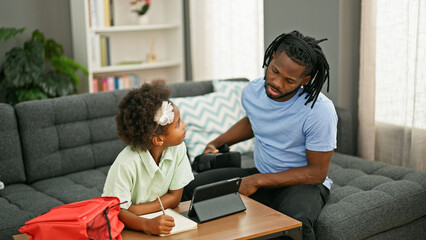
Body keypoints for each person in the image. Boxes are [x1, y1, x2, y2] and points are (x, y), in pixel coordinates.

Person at [183, 30, 337, 240]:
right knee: (193, 189)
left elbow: (317, 173)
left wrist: (257, 181)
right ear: (271, 57)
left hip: (302, 184)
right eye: (274, 71)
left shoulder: (319, 111)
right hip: (262, 173)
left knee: (295, 224)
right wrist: (216, 142)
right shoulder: (253, 91)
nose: (277, 83)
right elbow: (254, 121)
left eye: (289, 80)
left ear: (304, 80)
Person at [102, 82, 194, 235]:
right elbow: (115, 210)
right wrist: (146, 224)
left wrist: (135, 209)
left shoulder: (178, 148)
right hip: (133, 229)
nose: (185, 125)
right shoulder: (126, 163)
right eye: (178, 124)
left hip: (156, 219)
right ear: (158, 140)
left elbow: (175, 197)